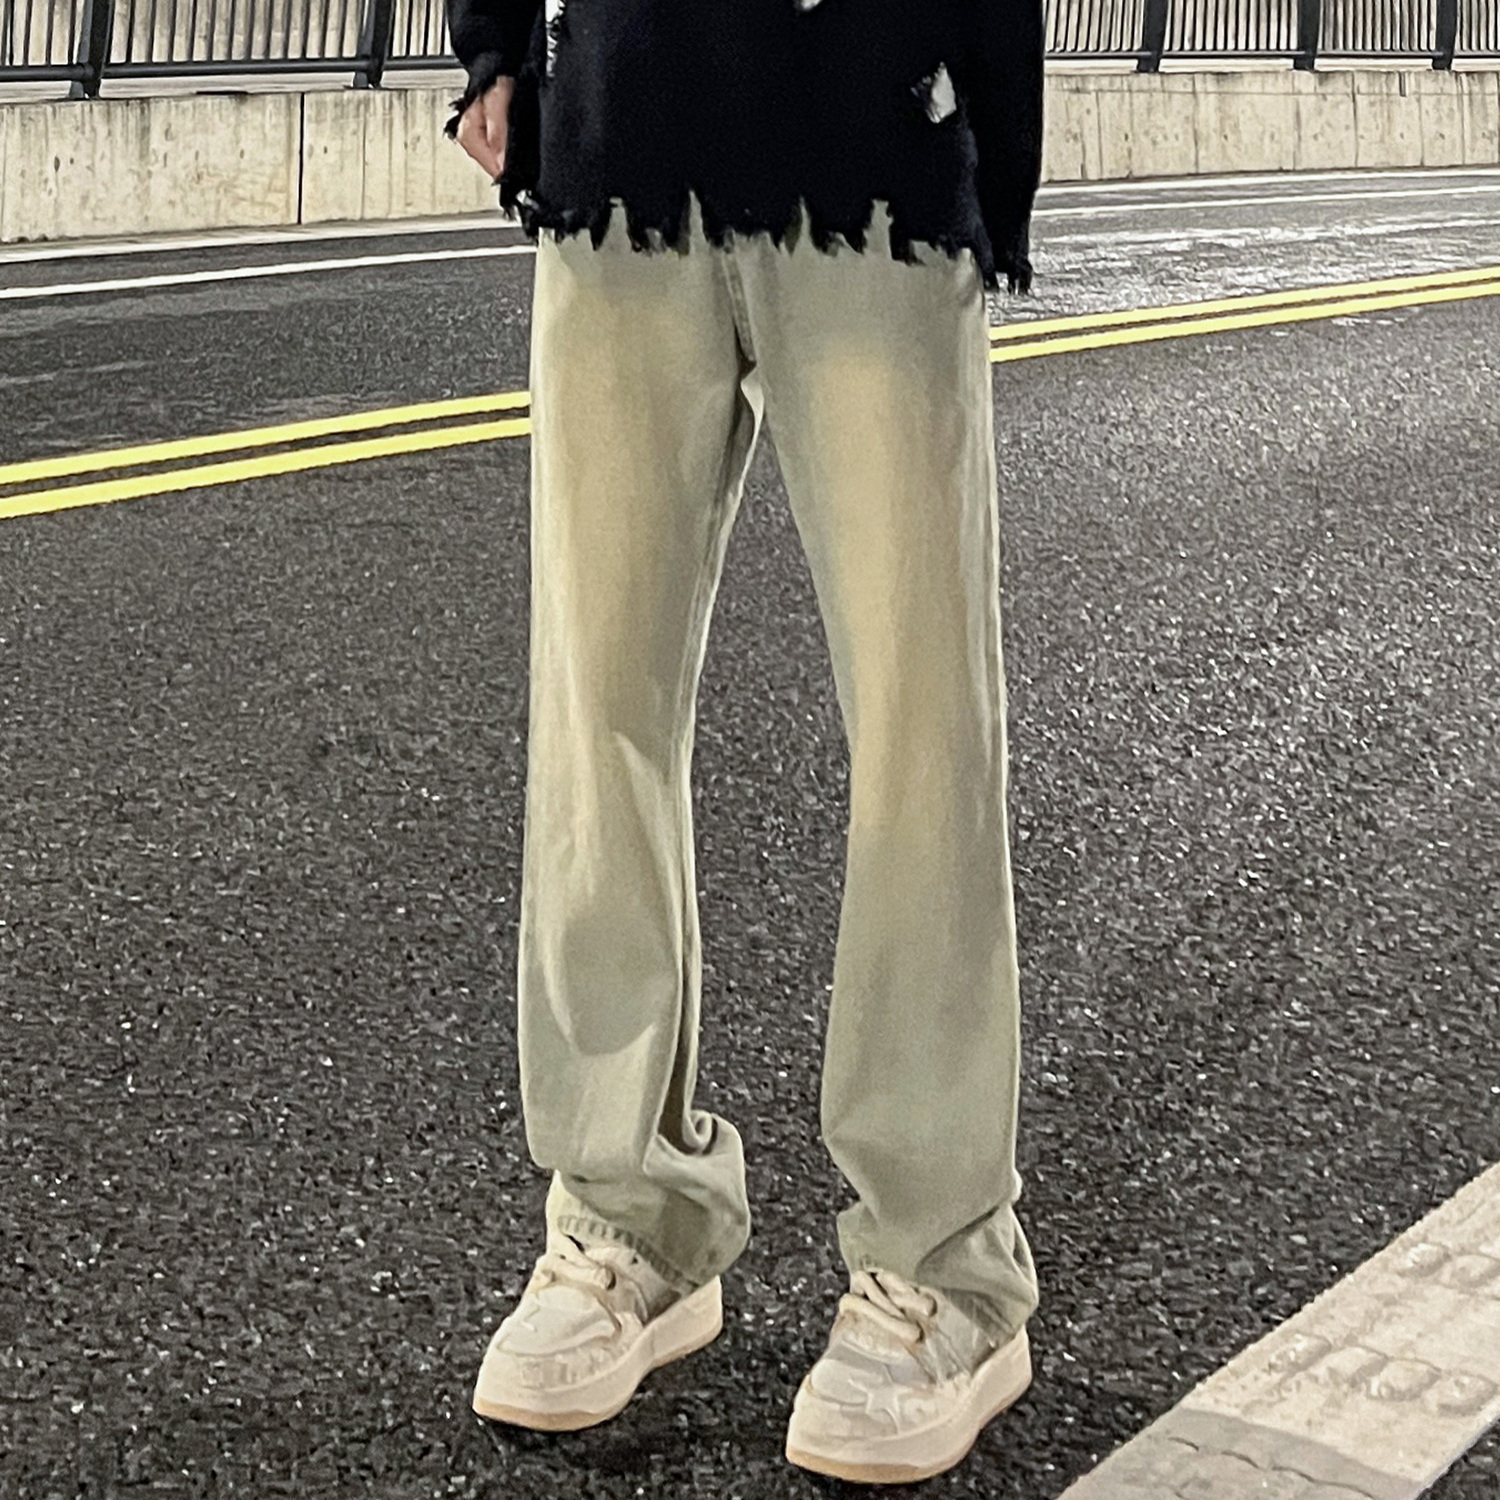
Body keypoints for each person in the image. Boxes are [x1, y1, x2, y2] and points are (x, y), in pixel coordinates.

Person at [443, 0, 1045, 1482]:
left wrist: (989, 131)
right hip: (626, 145)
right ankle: (627, 1218)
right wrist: (497, 49)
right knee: (596, 722)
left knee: (919, 736)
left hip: (868, 139)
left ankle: (946, 1268)